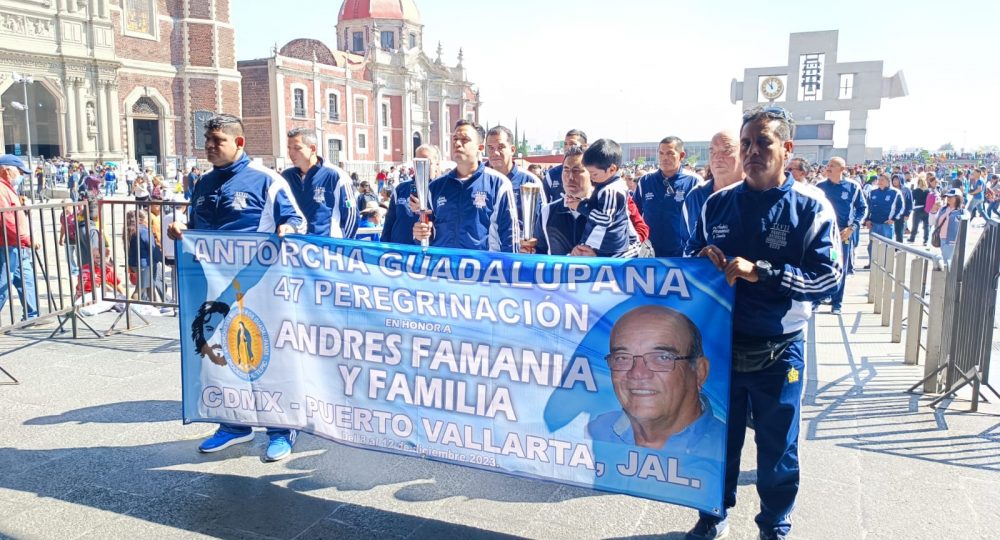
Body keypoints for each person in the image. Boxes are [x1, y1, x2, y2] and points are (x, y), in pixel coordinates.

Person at [686, 106, 842, 540]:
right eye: (747, 143)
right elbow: (686, 259)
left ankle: (775, 523)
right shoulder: (716, 203)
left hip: (781, 349)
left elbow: (829, 279)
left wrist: (765, 272)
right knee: (717, 440)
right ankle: (712, 515)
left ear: (786, 148)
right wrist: (699, 261)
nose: (753, 151)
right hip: (720, 347)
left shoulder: (811, 206)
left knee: (777, 449)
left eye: (764, 142)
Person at [167, 113, 305, 462]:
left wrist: (288, 231)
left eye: (218, 141)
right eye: (207, 141)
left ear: (239, 143)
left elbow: (296, 220)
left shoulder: (266, 180)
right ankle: (233, 425)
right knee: (218, 357)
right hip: (214, 288)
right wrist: (181, 228)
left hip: (259, 286)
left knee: (268, 357)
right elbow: (196, 227)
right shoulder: (202, 184)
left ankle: (281, 429)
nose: (210, 147)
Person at [588, 305, 723, 450]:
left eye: (662, 357)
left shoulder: (721, 447)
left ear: (699, 372)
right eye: (622, 358)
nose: (637, 373)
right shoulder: (595, 433)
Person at [410, 120, 518, 252]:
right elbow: (425, 235)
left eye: (465, 139)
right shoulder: (436, 187)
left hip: (483, 269)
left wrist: (509, 268)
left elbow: (510, 237)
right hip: (444, 268)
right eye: (455, 138)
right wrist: (419, 234)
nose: (457, 143)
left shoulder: (498, 184)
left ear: (480, 147)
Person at [282, 128, 359, 239]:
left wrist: (345, 246)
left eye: (297, 148)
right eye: (289, 148)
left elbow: (351, 214)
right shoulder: (286, 177)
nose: (291, 153)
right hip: (295, 247)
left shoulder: (335, 175)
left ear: (312, 149)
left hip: (326, 249)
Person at [633, 136, 702, 257]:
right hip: (650, 254)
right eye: (661, 153)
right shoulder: (645, 181)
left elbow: (702, 219)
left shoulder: (694, 181)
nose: (664, 158)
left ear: (681, 155)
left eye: (670, 153)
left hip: (682, 255)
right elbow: (634, 214)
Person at [816, 156, 868, 314]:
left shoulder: (852, 187)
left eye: (832, 165)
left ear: (842, 170)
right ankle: (821, 297)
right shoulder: (819, 186)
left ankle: (837, 303)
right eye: (828, 164)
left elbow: (862, 208)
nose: (828, 167)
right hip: (824, 234)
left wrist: (852, 228)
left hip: (843, 233)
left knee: (840, 267)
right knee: (822, 264)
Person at [570, 139, 636, 258]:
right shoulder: (607, 184)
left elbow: (605, 219)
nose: (591, 178)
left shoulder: (611, 190)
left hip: (606, 248)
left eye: (594, 174)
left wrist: (579, 206)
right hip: (605, 245)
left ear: (612, 169)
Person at [520, 145, 590, 255]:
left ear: (592, 173)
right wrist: (530, 253)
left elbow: (626, 249)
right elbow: (540, 252)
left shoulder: (607, 210)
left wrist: (598, 256)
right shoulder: (548, 212)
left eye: (577, 170)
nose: (570, 177)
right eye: (566, 169)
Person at [0, 155, 39, 322]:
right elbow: (6, 220)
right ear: (6, 170)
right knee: (3, 285)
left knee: (26, 279)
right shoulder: (1, 189)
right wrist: (25, 238)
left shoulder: (7, 187)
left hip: (17, 244)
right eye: (19, 171)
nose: (20, 175)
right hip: (8, 244)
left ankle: (32, 316)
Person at [383, 144, 439, 245]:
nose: (422, 166)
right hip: (400, 252)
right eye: (418, 162)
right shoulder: (401, 189)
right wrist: (383, 248)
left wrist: (425, 210)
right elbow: (389, 222)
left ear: (436, 164)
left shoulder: (441, 190)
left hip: (428, 253)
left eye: (427, 162)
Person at [485, 125, 546, 219]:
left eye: (501, 147)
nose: (495, 153)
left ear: (512, 150)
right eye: (490, 148)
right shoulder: (480, 180)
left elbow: (542, 219)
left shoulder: (530, 181)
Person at [687, 130, 745, 215]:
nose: (717, 157)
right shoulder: (696, 196)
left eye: (727, 151)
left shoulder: (761, 192)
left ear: (744, 153)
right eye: (712, 152)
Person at [864, 173, 903, 264]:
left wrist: (893, 219)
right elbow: (868, 207)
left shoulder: (895, 193)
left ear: (888, 182)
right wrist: (867, 220)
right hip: (874, 224)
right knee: (872, 246)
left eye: (882, 180)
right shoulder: (872, 193)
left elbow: (901, 207)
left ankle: (886, 264)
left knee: (887, 246)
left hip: (886, 225)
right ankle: (872, 264)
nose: (880, 182)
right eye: (879, 180)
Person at [543, 129, 588, 202]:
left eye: (572, 144)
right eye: (565, 144)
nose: (567, 147)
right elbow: (544, 203)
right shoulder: (552, 175)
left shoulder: (593, 173)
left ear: (584, 146)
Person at [930, 189, 967, 267]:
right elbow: (932, 222)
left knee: (948, 263)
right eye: (947, 196)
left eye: (951, 196)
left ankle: (950, 278)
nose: (948, 198)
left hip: (953, 241)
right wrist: (933, 211)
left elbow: (966, 227)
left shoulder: (962, 212)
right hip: (942, 239)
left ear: (958, 198)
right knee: (947, 262)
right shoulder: (943, 209)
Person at [890, 174, 912, 242]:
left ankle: (899, 247)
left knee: (899, 232)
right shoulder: (891, 190)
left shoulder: (906, 190)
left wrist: (907, 213)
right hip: (891, 214)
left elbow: (909, 202)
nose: (895, 181)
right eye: (893, 179)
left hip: (901, 214)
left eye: (897, 179)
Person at [908, 175, 930, 245]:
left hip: (917, 209)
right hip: (926, 209)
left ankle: (912, 238)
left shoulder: (916, 191)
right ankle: (926, 240)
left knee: (915, 225)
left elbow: (912, 200)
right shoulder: (928, 191)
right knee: (926, 226)